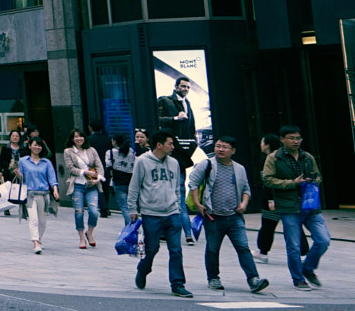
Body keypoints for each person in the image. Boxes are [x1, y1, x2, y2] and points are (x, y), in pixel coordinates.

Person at [188, 136, 269, 293]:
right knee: (212, 249)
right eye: (218, 146)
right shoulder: (207, 164)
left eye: (225, 147)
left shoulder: (239, 169)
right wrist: (198, 204)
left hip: (234, 217)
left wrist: (244, 204)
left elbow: (246, 189)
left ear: (233, 150)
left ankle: (253, 279)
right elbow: (193, 183)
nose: (220, 149)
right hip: (213, 217)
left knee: (243, 248)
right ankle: (213, 278)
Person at [262, 125, 328, 290]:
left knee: (323, 240)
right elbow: (268, 180)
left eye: (298, 138)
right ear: (282, 139)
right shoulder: (274, 158)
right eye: (291, 138)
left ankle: (308, 268)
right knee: (294, 246)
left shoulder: (307, 157)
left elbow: (318, 176)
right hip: (288, 207)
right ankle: (298, 278)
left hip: (310, 206)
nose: (295, 141)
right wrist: (293, 183)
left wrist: (313, 181)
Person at [127, 130, 191, 297]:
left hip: (172, 212)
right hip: (151, 213)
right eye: (170, 143)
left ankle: (177, 284)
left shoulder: (174, 163)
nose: (173, 147)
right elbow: (134, 186)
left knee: (176, 249)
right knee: (152, 248)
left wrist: (177, 206)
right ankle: (143, 270)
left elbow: (177, 187)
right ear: (159, 145)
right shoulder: (142, 162)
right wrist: (132, 209)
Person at [60, 130, 103, 249]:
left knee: (94, 211)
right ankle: (81, 238)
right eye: (76, 137)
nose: (79, 139)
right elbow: (70, 168)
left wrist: (98, 179)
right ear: (72, 139)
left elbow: (99, 166)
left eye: (81, 136)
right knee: (79, 212)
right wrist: (85, 172)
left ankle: (89, 233)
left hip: (91, 185)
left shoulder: (91, 150)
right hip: (77, 185)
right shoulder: (68, 151)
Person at [18, 137, 60, 254]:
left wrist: (55, 190)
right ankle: (35, 242)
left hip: (44, 194)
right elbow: (22, 178)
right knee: (33, 219)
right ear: (30, 146)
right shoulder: (23, 161)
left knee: (42, 220)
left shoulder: (46, 162)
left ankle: (39, 238)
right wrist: (17, 173)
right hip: (30, 194)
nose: (37, 147)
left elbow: (52, 178)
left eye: (39, 145)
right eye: (35, 145)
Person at [104, 134, 137, 219]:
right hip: (131, 181)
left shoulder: (110, 152)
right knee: (132, 207)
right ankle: (133, 226)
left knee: (124, 207)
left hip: (118, 181)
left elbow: (108, 165)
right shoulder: (131, 151)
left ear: (115, 141)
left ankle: (130, 227)